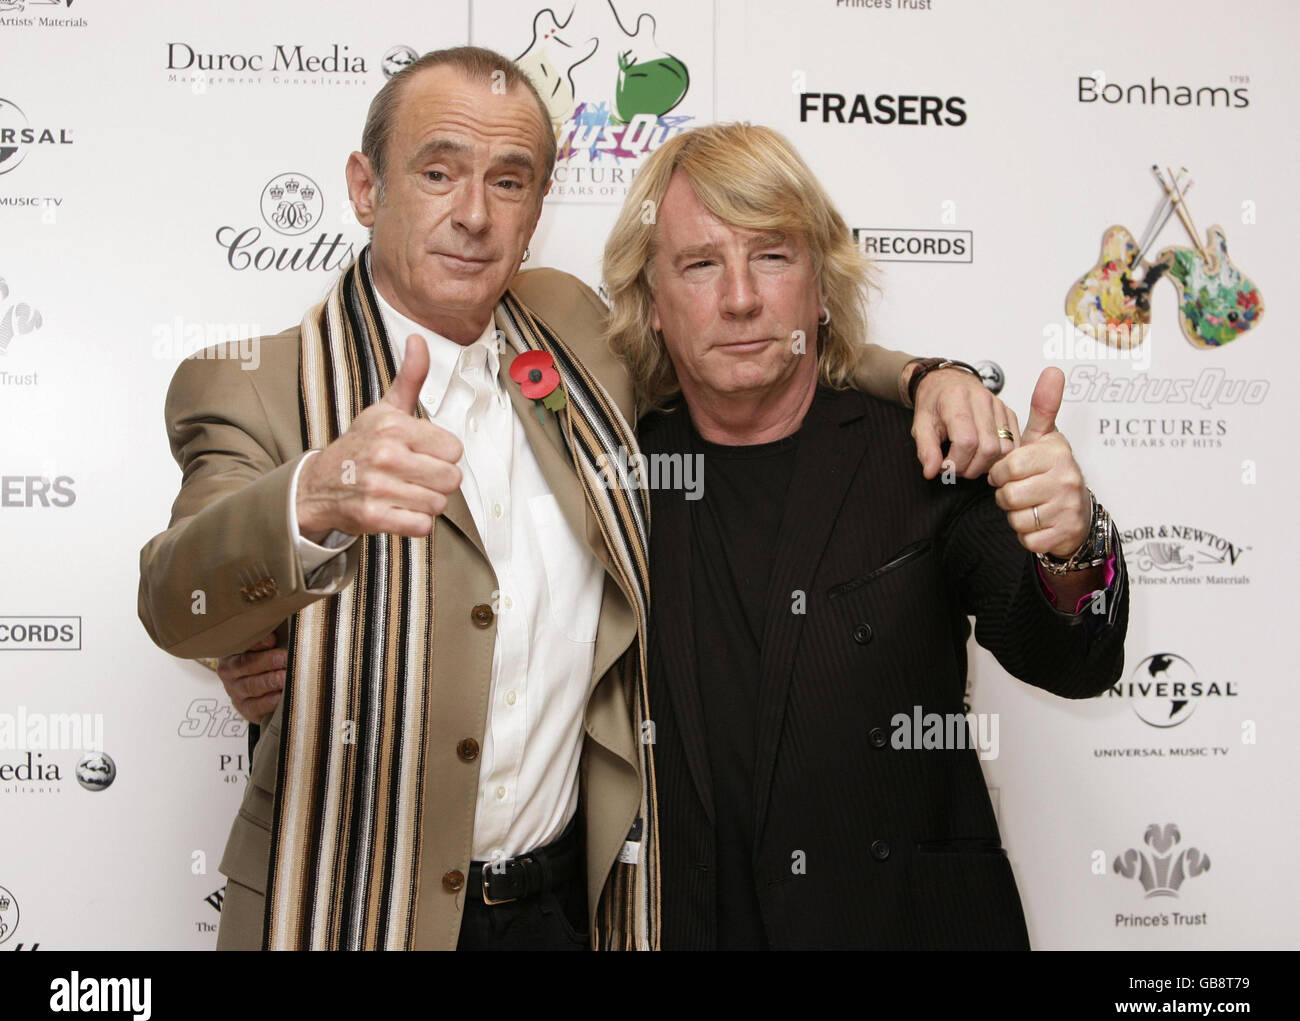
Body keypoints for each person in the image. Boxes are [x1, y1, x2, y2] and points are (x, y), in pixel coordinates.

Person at [165, 49, 1013, 951]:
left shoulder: (570, 331)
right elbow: (178, 599)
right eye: (439, 172)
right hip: (348, 904)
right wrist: (312, 499)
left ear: (537, 211)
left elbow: (755, 343)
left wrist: (929, 375)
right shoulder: (253, 384)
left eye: (510, 180)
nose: (473, 214)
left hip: (565, 911)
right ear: (366, 187)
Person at [599, 123, 1129, 949]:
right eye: (701, 263)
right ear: (653, 303)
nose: (740, 297)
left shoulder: (925, 448)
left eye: (772, 256)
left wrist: (1073, 545)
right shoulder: (616, 478)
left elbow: (1075, 659)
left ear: (820, 285)